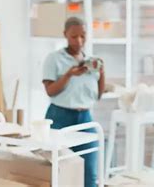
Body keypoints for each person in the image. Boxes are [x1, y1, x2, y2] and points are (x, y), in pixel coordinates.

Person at [42, 16, 105, 187]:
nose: (79, 40)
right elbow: (50, 91)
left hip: (85, 118)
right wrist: (69, 74)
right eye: (74, 36)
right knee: (59, 171)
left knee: (90, 173)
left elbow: (98, 95)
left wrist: (102, 71)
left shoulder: (90, 62)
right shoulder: (54, 58)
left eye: (83, 36)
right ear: (65, 35)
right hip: (60, 116)